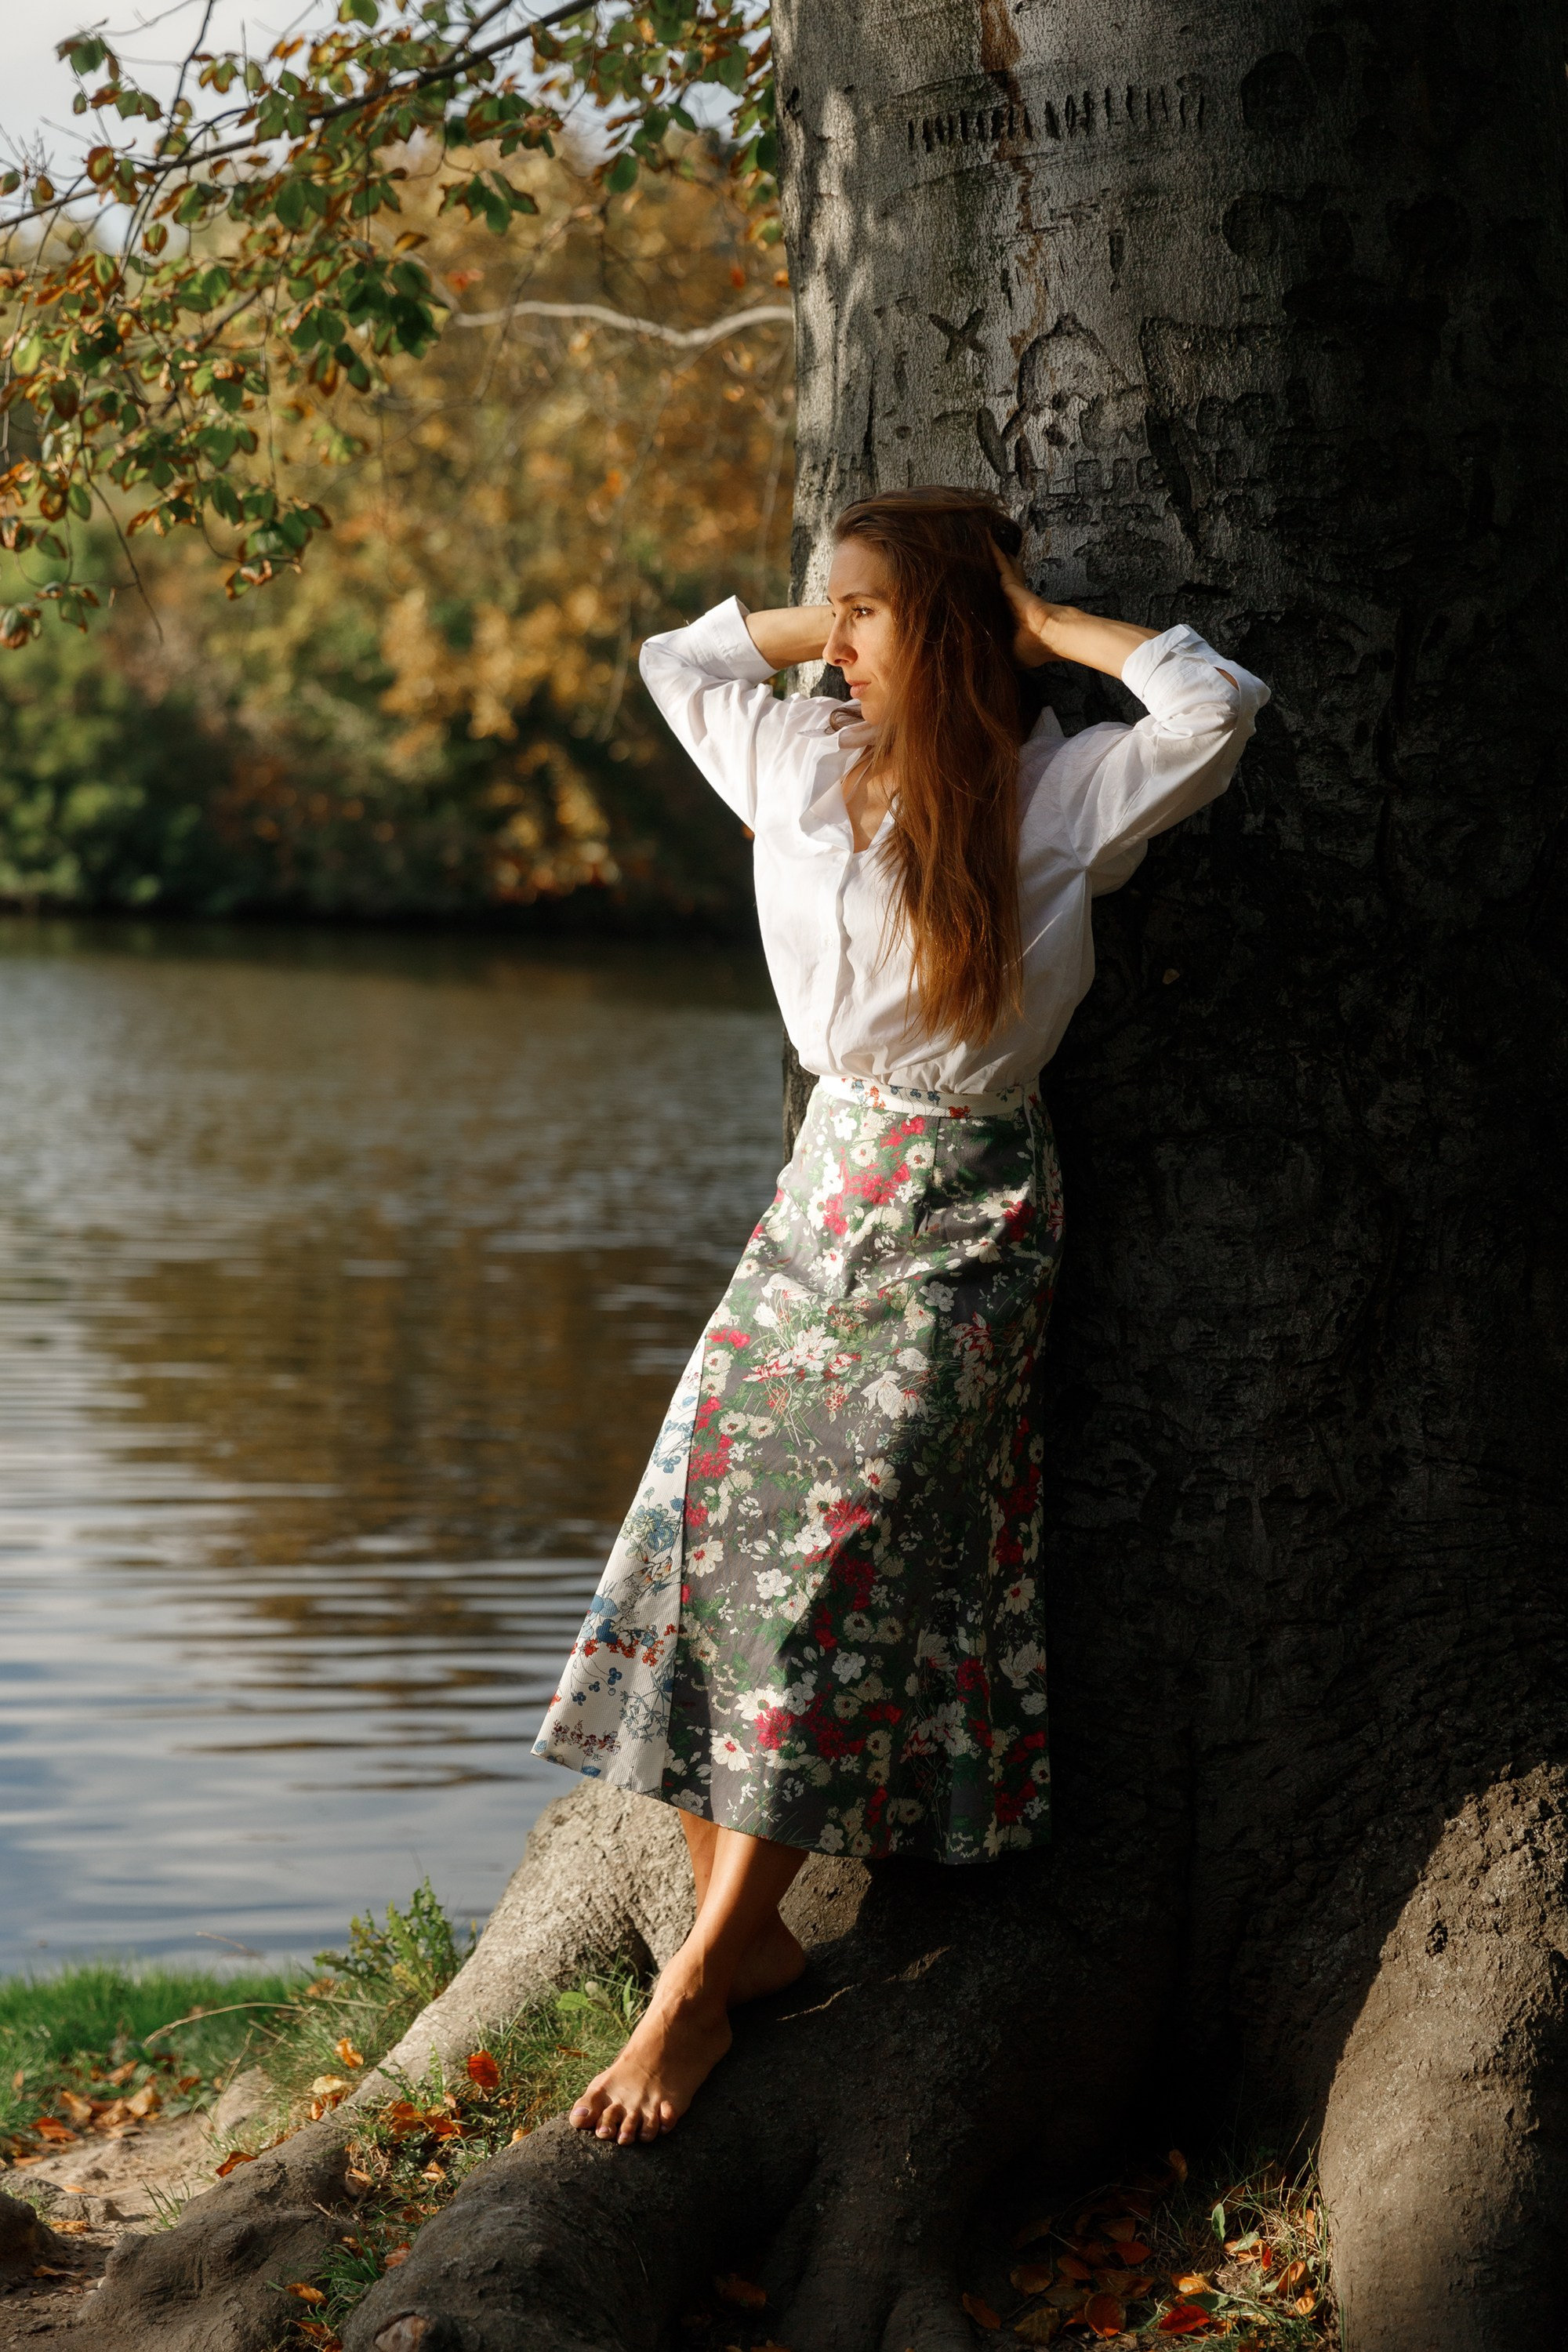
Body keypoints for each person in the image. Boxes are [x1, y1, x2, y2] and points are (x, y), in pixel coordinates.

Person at [533, 485, 1269, 2145]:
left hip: (966, 1216)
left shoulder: (1058, 792)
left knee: (834, 1575)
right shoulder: (796, 765)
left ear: (941, 635)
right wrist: (848, 611)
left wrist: (1016, 625)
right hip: (816, 1203)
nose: (831, 646)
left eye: (865, 617)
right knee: (715, 1548)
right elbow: (676, 657)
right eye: (827, 616)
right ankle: (758, 1944)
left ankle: (687, 1996)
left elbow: (1216, 705)